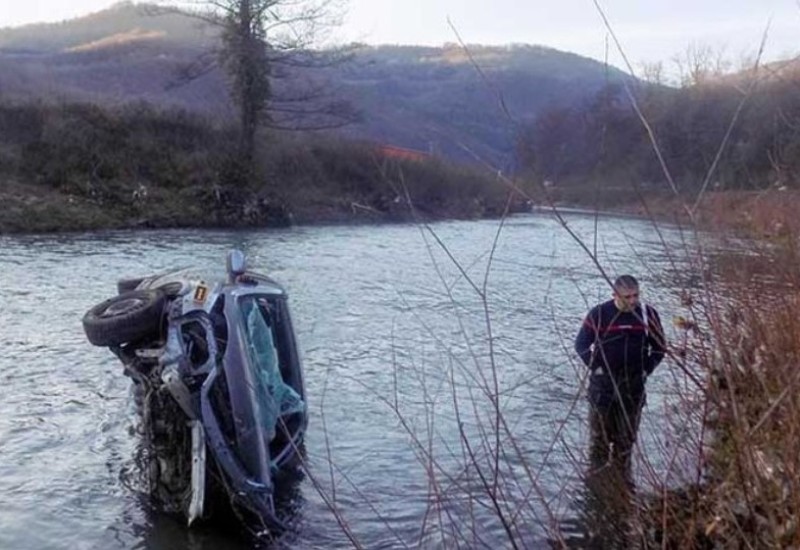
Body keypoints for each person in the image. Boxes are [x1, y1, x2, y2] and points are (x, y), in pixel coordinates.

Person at [574, 274, 666, 474]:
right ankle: (597, 482)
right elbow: (581, 345)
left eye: (636, 296)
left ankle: (622, 481)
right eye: (627, 297)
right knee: (599, 441)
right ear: (615, 295)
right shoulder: (599, 314)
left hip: (633, 386)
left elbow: (660, 348)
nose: (633, 301)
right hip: (603, 387)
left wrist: (646, 369)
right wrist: (596, 367)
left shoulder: (647, 315)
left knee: (625, 442)